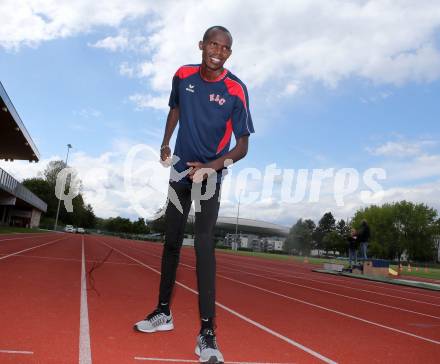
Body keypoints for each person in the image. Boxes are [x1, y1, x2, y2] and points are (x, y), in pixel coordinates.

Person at [134, 25, 254, 364]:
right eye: (213, 44)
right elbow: (175, 109)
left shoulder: (236, 90)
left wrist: (212, 166)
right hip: (179, 172)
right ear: (201, 45)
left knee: (203, 245)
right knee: (171, 241)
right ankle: (162, 313)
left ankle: (207, 333)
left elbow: (243, 146)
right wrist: (165, 142)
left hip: (210, 175)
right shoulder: (182, 75)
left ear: (230, 53)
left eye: (225, 48)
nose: (218, 51)